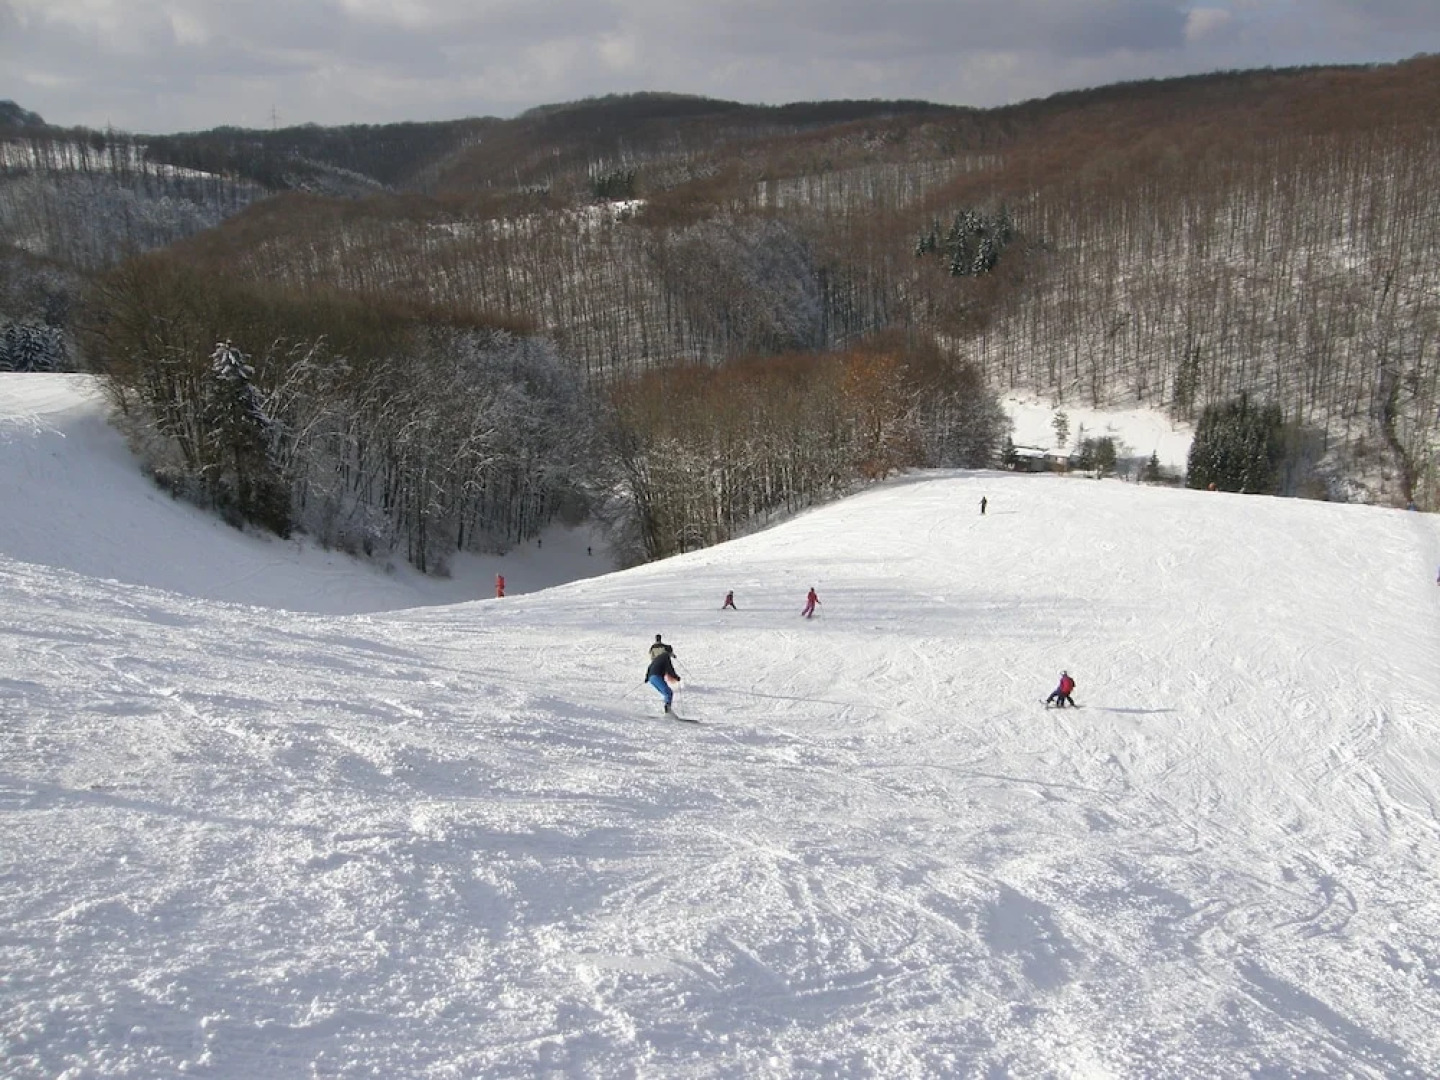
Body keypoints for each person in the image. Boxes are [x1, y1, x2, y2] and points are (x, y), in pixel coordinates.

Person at [645, 641, 681, 712]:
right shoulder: (666, 657)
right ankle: (668, 712)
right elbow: (669, 669)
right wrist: (676, 677)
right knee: (668, 692)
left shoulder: (658, 657)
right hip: (656, 676)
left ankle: (667, 709)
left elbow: (650, 666)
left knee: (667, 693)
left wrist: (647, 677)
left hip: (652, 677)